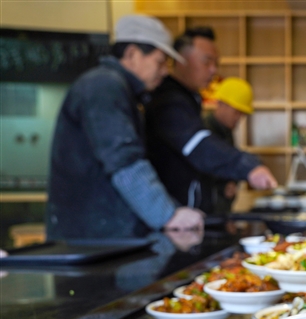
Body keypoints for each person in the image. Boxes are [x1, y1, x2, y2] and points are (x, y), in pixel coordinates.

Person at [46, 15, 204, 239]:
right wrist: (168, 215)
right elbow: (124, 160)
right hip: (88, 240)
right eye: (160, 62)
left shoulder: (121, 90)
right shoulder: (103, 86)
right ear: (132, 54)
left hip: (102, 237)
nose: (165, 71)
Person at [145, 27, 276, 215]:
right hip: (174, 217)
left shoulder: (187, 100)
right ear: (180, 60)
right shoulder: (169, 101)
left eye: (216, 63)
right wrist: (247, 166)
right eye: (207, 62)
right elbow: (198, 145)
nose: (214, 70)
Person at [202, 77, 254, 215]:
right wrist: (222, 186)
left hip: (221, 209)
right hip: (206, 211)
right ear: (221, 104)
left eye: (242, 114)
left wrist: (232, 182)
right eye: (236, 112)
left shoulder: (226, 131)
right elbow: (205, 169)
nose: (239, 118)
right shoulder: (205, 130)